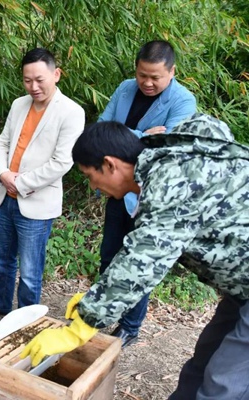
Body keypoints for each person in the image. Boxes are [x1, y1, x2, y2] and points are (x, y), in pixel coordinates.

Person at [22, 114, 249, 399]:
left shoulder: (173, 181)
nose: (94, 188)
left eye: (91, 177)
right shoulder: (167, 168)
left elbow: (144, 260)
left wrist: (81, 325)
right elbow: (138, 250)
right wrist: (94, 299)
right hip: (241, 288)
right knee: (203, 362)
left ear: (110, 164)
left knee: (222, 384)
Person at [0, 48, 85, 315]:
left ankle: (25, 319)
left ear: (56, 74)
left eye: (39, 80)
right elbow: (3, 143)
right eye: (27, 80)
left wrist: (19, 183)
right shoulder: (18, 104)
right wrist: (3, 174)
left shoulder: (71, 112)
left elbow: (61, 163)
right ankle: (0, 303)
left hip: (36, 201)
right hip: (6, 196)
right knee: (2, 260)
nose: (33, 87)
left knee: (31, 270)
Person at [97, 40, 196, 346]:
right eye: (143, 75)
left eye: (156, 77)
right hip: (118, 191)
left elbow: (167, 148)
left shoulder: (183, 101)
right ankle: (104, 310)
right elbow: (101, 129)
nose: (147, 83)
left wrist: (123, 136)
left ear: (172, 72)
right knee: (109, 256)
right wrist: (142, 136)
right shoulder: (126, 88)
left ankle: (130, 326)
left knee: (140, 262)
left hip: (150, 198)